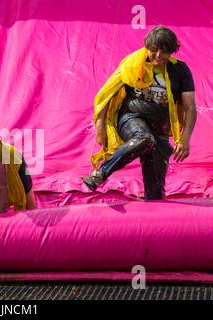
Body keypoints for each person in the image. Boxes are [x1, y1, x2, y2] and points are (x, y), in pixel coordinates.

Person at [83, 26, 197, 200]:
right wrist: (100, 127)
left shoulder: (180, 70)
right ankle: (100, 174)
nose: (158, 56)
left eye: (164, 51)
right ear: (147, 47)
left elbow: (190, 107)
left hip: (160, 128)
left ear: (172, 51)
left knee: (156, 194)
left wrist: (185, 139)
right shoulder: (133, 63)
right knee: (145, 138)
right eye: (153, 50)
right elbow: (106, 94)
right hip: (131, 118)